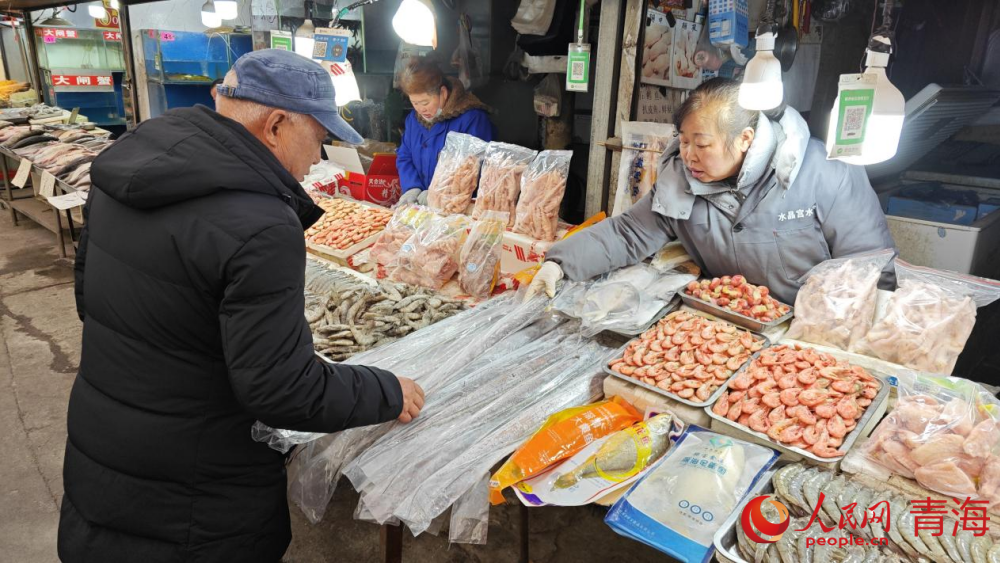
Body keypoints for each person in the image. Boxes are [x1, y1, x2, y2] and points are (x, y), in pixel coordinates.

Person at [59, 50, 425, 563]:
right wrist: (387, 390)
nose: (317, 159)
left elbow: (88, 298)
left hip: (103, 454)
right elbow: (282, 389)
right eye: (318, 140)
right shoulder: (260, 222)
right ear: (276, 125)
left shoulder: (126, 167)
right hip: (195, 499)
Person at [527, 78, 896, 305]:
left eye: (701, 144)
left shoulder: (825, 174)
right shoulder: (679, 180)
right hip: (727, 325)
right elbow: (628, 233)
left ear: (745, 139)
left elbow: (872, 271)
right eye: (683, 141)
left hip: (810, 332)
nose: (688, 155)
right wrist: (559, 264)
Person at [395, 57, 494, 206]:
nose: (421, 109)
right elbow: (404, 156)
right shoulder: (413, 120)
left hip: (459, 207)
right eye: (414, 103)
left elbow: (473, 168)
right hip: (421, 207)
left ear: (443, 92)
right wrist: (412, 187)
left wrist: (439, 192)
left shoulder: (472, 119)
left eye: (425, 102)